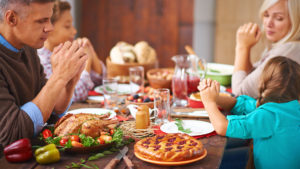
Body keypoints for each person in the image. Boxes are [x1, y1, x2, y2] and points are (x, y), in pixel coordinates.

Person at [0, 0, 87, 146]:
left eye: (49, 19)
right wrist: (59, 77)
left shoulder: (28, 48)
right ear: (12, 19)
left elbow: (50, 110)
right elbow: (12, 134)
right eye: (41, 21)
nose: (49, 28)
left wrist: (69, 80)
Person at [199, 56, 300, 169]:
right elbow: (239, 104)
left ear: (263, 82)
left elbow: (222, 127)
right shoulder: (292, 109)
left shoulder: (269, 115)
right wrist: (215, 97)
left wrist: (209, 102)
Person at [38, 1, 106, 102]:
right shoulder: (41, 61)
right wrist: (87, 64)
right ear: (48, 28)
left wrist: (91, 53)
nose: (74, 31)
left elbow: (101, 82)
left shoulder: (68, 52)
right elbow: (74, 95)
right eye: (67, 26)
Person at [232, 0, 300, 98]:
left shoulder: (287, 51)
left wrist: (242, 47)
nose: (268, 23)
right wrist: (246, 48)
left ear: (296, 21)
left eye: (279, 18)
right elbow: (251, 77)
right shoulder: (289, 47)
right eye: (266, 15)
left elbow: (240, 95)